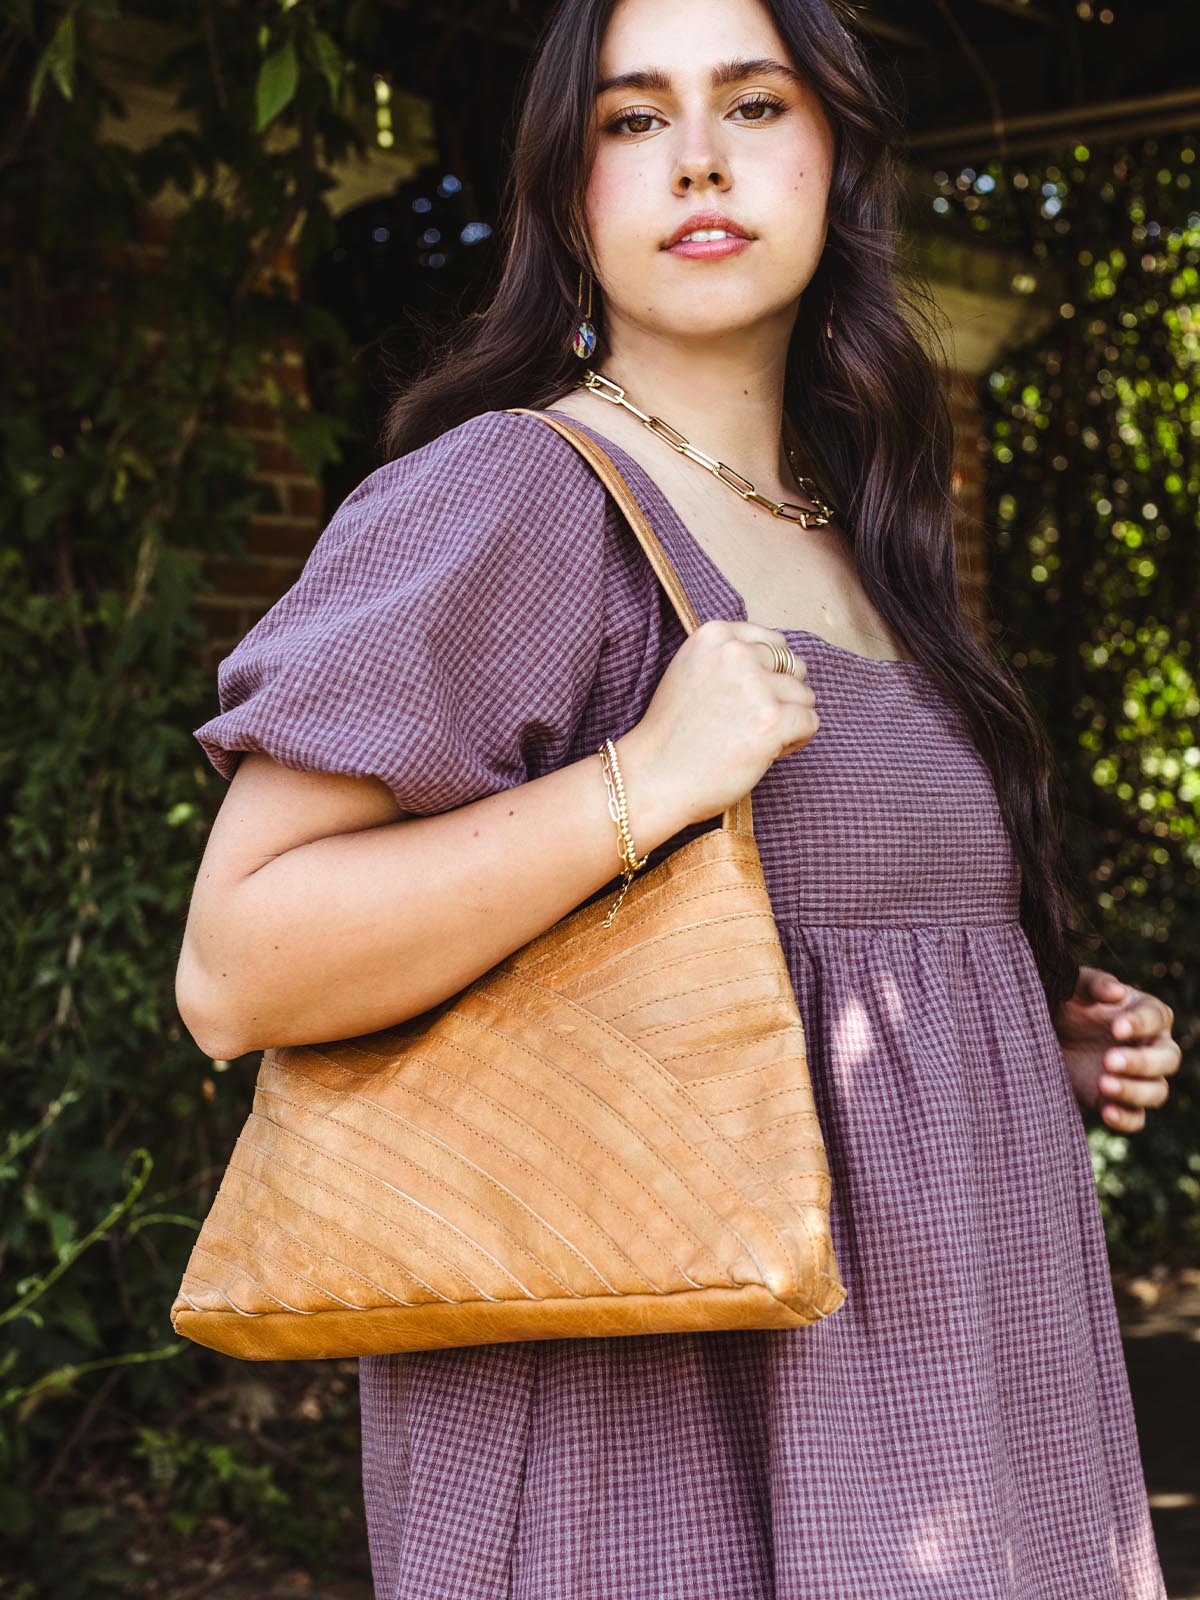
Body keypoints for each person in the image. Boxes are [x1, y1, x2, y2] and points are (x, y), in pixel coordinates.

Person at [175, 0, 1182, 1594]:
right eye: (632, 121)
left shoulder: (865, 529)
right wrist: (641, 782)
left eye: (754, 106)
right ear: (570, 195)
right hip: (652, 1443)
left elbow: (796, 972)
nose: (698, 159)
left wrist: (999, 1033)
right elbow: (238, 966)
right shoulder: (517, 493)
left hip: (951, 1403)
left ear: (838, 152)